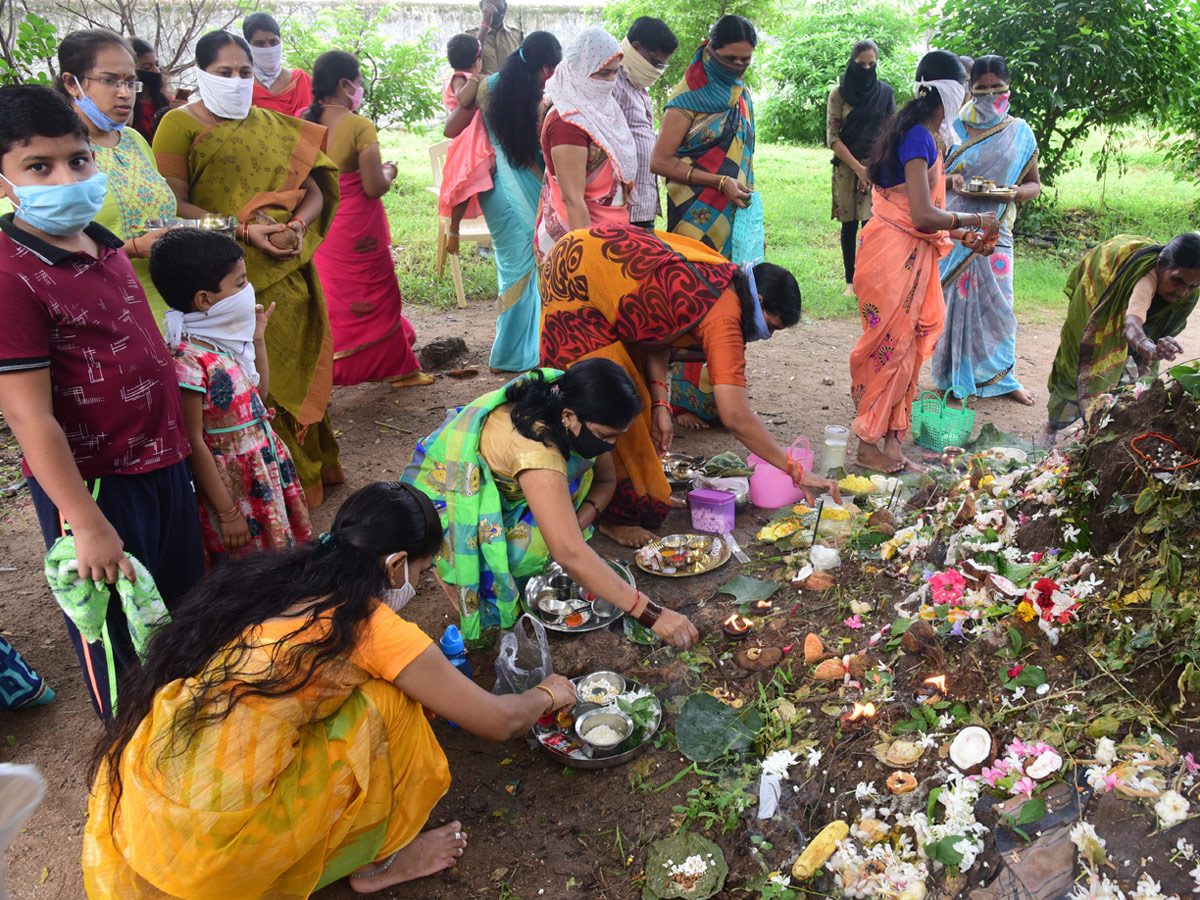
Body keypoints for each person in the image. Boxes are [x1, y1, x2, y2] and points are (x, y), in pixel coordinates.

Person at [83, 481, 578, 898]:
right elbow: (499, 721)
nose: (419, 584)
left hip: (159, 802)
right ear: (395, 564)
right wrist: (549, 694)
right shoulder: (373, 627)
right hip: (226, 844)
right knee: (394, 703)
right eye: (422, 573)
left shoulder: (279, 578)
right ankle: (380, 862)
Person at [0, 84, 204, 719]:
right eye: (39, 166)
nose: (67, 177)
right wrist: (86, 526)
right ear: (5, 180)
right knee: (118, 634)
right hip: (96, 487)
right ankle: (133, 754)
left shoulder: (103, 243)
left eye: (78, 159)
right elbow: (28, 413)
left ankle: (195, 732)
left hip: (161, 461)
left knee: (180, 607)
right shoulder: (11, 276)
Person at [541, 225, 842, 544]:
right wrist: (796, 470)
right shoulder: (724, 314)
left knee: (635, 406)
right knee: (609, 409)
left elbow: (657, 332)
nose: (765, 336)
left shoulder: (727, 281)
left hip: (586, 258)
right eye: (770, 326)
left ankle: (638, 492)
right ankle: (613, 516)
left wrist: (660, 405)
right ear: (760, 301)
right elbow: (736, 417)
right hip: (579, 277)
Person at [154, 30, 343, 508]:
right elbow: (171, 204)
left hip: (289, 269)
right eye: (224, 73)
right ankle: (265, 488)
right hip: (222, 282)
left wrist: (298, 224)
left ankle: (308, 477)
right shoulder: (178, 125)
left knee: (295, 366)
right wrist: (240, 230)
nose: (237, 81)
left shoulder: (273, 124)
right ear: (201, 74)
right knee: (251, 377)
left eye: (244, 72)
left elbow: (317, 187)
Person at [404, 361, 700, 646]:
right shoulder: (536, 450)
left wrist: (573, 527)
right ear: (569, 416)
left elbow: (605, 482)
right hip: (452, 490)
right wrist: (651, 613)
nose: (610, 445)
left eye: (617, 436)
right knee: (530, 550)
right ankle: (471, 592)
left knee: (556, 537)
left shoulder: (575, 409)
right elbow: (569, 554)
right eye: (606, 436)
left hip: (507, 485)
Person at [850, 50, 998, 475]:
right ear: (949, 90)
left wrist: (961, 234)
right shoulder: (917, 135)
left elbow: (927, 217)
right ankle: (865, 446)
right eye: (967, 86)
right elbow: (918, 214)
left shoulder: (930, 134)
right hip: (891, 257)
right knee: (889, 349)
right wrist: (974, 218)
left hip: (912, 251)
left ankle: (892, 445)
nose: (970, 94)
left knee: (912, 348)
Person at [151, 228, 312, 565]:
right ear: (205, 300)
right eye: (239, 284)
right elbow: (193, 441)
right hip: (233, 489)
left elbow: (259, 397)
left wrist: (257, 340)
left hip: (260, 470)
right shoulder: (187, 361)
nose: (248, 290)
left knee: (274, 560)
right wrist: (227, 513)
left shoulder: (222, 344)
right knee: (246, 568)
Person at [305, 51, 432, 389]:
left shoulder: (301, 122)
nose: (360, 89)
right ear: (346, 84)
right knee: (379, 294)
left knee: (336, 299)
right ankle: (400, 368)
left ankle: (334, 366)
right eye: (359, 83)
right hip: (359, 230)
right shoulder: (357, 125)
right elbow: (374, 187)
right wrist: (389, 170)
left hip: (321, 226)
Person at [444, 32, 562, 373]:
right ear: (544, 67)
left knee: (516, 267)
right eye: (551, 69)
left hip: (498, 190)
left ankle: (525, 349)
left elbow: (450, 129)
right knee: (524, 267)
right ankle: (509, 356)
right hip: (526, 188)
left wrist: (472, 94)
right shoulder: (543, 95)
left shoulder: (488, 87)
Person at [934, 55, 1041, 405]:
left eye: (997, 87)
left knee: (998, 307)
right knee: (952, 306)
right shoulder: (950, 128)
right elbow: (926, 177)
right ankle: (951, 377)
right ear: (970, 88)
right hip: (955, 228)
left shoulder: (1020, 132)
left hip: (997, 233)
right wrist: (955, 180)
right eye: (981, 88)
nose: (989, 94)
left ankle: (1002, 378)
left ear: (1008, 88)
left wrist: (1014, 193)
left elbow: (1033, 184)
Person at [57, 29, 177, 322]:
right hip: (99, 314)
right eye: (110, 81)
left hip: (165, 309)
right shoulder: (53, 151)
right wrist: (133, 249)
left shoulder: (134, 140)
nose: (125, 93)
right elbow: (37, 244)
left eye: (130, 82)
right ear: (72, 83)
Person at [1042, 233, 1200, 445]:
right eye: (1177, 281)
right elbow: (1132, 325)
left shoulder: (1189, 283)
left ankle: (1108, 430)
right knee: (1081, 366)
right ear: (1161, 265)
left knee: (1137, 379)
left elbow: (1154, 327)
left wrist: (1148, 350)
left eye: (1192, 286)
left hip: (1142, 327)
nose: (1183, 292)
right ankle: (1052, 427)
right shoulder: (1145, 280)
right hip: (1101, 298)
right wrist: (1149, 347)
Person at [650, 15, 759, 262]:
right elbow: (659, 162)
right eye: (730, 58)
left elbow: (746, 159)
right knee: (696, 287)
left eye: (746, 59)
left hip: (736, 214)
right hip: (693, 218)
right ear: (710, 50)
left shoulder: (741, 95)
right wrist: (720, 182)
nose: (738, 65)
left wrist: (751, 219)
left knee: (733, 289)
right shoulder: (686, 100)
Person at [535, 27, 634, 260]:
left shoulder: (598, 110)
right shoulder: (566, 122)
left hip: (610, 233)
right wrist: (588, 263)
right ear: (579, 72)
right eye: (602, 74)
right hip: (579, 242)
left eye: (614, 73)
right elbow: (573, 199)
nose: (610, 81)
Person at [828, 39, 895, 297]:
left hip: (876, 166)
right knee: (849, 224)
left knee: (872, 224)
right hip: (847, 167)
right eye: (861, 64)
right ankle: (850, 282)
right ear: (852, 62)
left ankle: (869, 278)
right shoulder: (839, 94)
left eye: (871, 64)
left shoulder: (885, 94)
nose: (866, 69)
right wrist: (858, 169)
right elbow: (833, 138)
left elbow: (890, 135)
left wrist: (871, 168)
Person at [613, 17, 678, 230]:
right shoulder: (612, 84)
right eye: (656, 63)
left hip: (642, 206)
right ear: (636, 48)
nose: (658, 71)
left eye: (662, 66)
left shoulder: (639, 86)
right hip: (621, 210)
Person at [439, 34, 488, 255]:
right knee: (463, 182)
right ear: (477, 59)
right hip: (467, 137)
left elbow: (478, 42)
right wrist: (476, 78)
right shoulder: (461, 78)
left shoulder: (469, 73)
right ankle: (454, 229)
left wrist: (485, 24)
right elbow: (463, 99)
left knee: (473, 180)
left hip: (477, 134)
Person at [243, 11, 313, 117]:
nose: (268, 49)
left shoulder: (303, 82)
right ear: (248, 46)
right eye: (260, 43)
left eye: (273, 42)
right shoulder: (242, 87)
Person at [129, 37, 174, 142]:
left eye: (157, 65)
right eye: (147, 67)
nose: (156, 71)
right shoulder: (125, 105)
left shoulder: (169, 101)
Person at [462, 0, 523, 77]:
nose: (495, 11)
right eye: (490, 7)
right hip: (482, 88)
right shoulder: (469, 37)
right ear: (481, 6)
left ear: (505, 8)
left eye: (499, 7)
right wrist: (485, 26)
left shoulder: (517, 35)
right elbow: (470, 63)